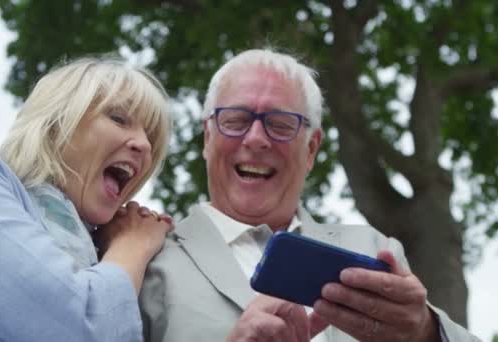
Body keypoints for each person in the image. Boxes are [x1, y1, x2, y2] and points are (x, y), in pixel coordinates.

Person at [139, 48, 480, 341]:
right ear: (208, 137)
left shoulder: (373, 250)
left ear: (312, 149)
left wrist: (424, 331)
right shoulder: (147, 262)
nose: (256, 138)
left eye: (281, 124)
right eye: (236, 119)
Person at [0, 57, 172, 342]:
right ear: (54, 124)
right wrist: (133, 245)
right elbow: (79, 330)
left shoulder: (114, 260)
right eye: (119, 118)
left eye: (151, 140)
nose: (143, 146)